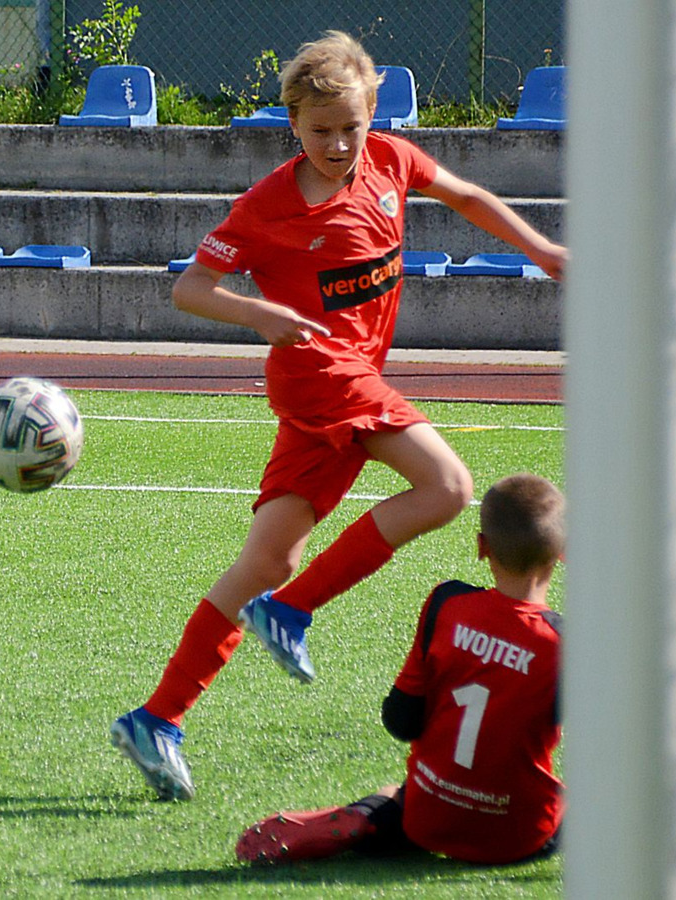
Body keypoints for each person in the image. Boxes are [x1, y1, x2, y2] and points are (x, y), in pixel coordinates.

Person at [110, 30, 567, 802]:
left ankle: (156, 719)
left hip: (335, 393)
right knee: (449, 488)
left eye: (351, 127)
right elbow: (190, 288)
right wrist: (261, 313)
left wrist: (541, 249)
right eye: (320, 130)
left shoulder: (391, 161)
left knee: (265, 562)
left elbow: (465, 196)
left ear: (372, 114)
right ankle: (291, 612)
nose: (338, 144)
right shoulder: (266, 207)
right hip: (322, 379)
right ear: (293, 124)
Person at [235, 472, 565, 865]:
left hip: (426, 820)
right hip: (518, 838)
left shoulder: (447, 603)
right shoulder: (567, 644)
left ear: (482, 547)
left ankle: (372, 812)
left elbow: (400, 720)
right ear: (562, 553)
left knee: (404, 794)